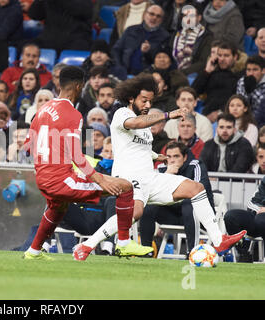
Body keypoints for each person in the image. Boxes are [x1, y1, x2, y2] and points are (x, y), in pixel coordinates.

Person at [75, 73, 246, 260]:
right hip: (129, 177)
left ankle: (218, 240)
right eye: (144, 101)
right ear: (131, 98)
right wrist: (167, 115)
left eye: (150, 101)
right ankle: (87, 245)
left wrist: (158, 156)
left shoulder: (145, 124)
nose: (148, 105)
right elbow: (133, 124)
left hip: (150, 176)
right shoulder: (122, 114)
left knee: (196, 188)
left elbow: (138, 146)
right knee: (135, 213)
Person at [23, 65, 149, 261]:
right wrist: (100, 180)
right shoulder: (72, 114)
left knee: (58, 208)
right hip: (61, 179)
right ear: (78, 86)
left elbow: (28, 147)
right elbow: (76, 154)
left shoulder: (42, 110)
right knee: (125, 187)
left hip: (42, 177)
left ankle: (33, 251)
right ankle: (123, 244)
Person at [140, 141, 215, 257]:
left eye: (176, 156)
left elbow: (200, 190)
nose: (172, 160)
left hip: (198, 215)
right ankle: (146, 250)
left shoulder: (196, 165)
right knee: (149, 205)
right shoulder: (162, 168)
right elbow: (152, 193)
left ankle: (192, 252)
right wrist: (167, 175)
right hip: (173, 215)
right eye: (169, 157)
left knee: (188, 203)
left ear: (184, 157)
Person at [111, 4, 170, 76]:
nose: (154, 18)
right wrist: (119, 67)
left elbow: (162, 61)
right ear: (144, 15)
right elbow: (116, 50)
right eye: (151, 14)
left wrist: (148, 51)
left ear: (161, 20)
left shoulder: (165, 36)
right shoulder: (131, 30)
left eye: (158, 16)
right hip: (125, 71)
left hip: (148, 75)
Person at [191, 40, 241, 123]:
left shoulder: (240, 75)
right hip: (207, 114)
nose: (221, 59)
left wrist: (220, 113)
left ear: (235, 57)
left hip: (230, 116)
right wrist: (207, 71)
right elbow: (193, 92)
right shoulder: (210, 73)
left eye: (226, 55)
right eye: (219, 55)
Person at [224, 175, 265, 262]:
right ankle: (244, 254)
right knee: (231, 217)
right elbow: (253, 203)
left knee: (261, 220)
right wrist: (259, 210)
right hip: (258, 217)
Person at [27, 0, 93, 54]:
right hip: (48, 41)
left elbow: (86, 12)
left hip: (74, 41)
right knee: (26, 49)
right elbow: (34, 15)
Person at [170, 4, 213, 76]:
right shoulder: (176, 33)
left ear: (199, 18)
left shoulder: (206, 36)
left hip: (195, 75)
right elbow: (170, 55)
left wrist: (183, 73)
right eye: (185, 16)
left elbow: (203, 62)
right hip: (176, 73)